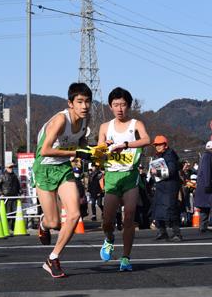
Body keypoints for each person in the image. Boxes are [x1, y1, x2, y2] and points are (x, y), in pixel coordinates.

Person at [33, 82, 98, 278]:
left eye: (87, 102)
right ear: (70, 103)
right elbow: (45, 150)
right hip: (44, 167)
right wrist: (76, 152)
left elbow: (81, 142)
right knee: (54, 223)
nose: (84, 106)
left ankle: (53, 258)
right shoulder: (61, 120)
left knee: (74, 214)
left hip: (63, 168)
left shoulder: (85, 121)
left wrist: (94, 150)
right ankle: (43, 225)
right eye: (79, 102)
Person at [98, 87, 151, 272]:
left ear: (128, 105)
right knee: (107, 220)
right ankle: (109, 238)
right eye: (115, 105)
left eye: (123, 104)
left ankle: (126, 258)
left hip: (130, 175)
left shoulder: (136, 124)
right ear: (110, 106)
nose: (119, 108)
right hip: (112, 176)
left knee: (129, 217)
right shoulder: (105, 127)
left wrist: (126, 145)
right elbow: (99, 152)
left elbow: (146, 140)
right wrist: (106, 146)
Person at [150, 135, 182, 242]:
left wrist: (157, 172)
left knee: (170, 208)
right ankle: (162, 232)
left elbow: (172, 171)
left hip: (170, 186)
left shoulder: (170, 155)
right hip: (161, 186)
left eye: (160, 144)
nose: (157, 147)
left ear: (165, 145)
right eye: (156, 145)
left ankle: (177, 233)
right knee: (157, 208)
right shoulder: (159, 156)